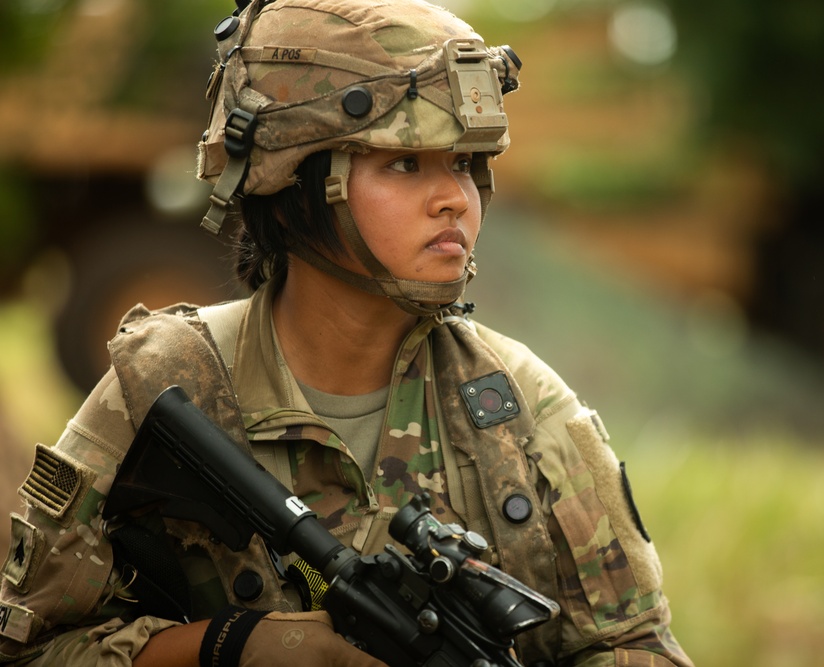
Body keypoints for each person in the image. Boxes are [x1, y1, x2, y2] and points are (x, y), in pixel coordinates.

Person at [0, 1, 694, 665]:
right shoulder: (163, 385)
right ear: (296, 177)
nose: (455, 197)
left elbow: (635, 645)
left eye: (463, 165)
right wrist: (224, 646)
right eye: (405, 163)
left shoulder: (522, 409)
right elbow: (29, 645)